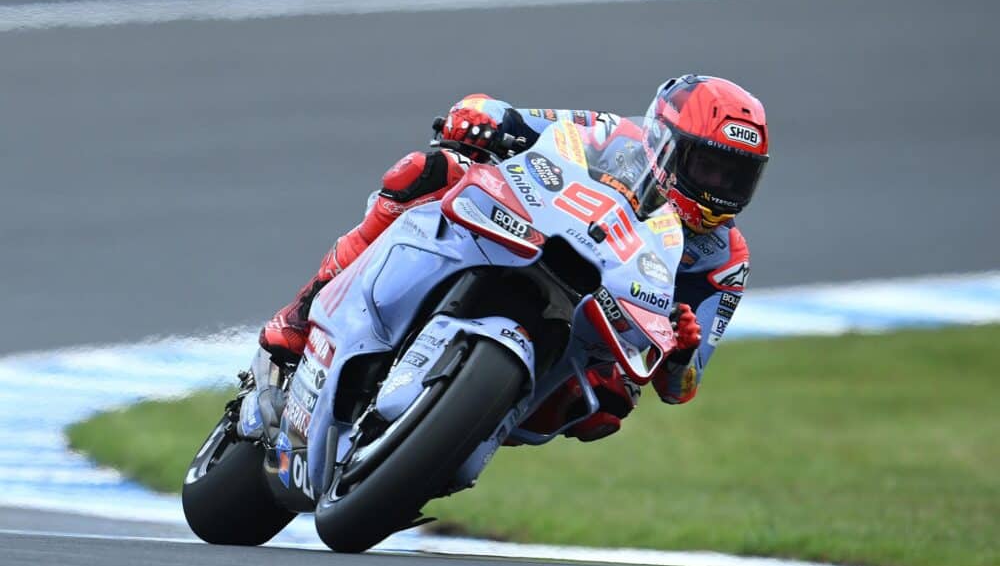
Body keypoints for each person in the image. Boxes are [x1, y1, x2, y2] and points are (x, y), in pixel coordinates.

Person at [259, 74, 768, 441]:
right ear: (665, 142)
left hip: (597, 326)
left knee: (608, 406)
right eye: (707, 167)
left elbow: (682, 388)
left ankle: (456, 436)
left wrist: (680, 353)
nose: (719, 188)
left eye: (735, 177)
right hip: (535, 237)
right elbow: (519, 119)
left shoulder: (724, 259)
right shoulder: (614, 136)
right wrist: (481, 119)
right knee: (428, 170)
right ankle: (304, 312)